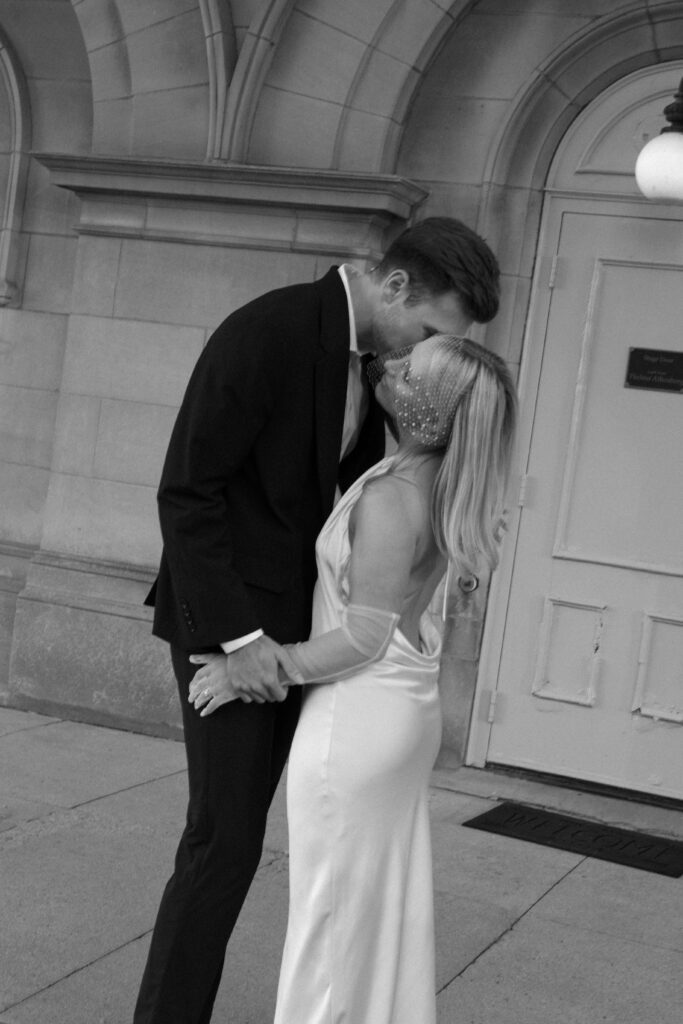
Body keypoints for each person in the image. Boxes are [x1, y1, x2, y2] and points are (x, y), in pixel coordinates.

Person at [134, 219, 501, 1024]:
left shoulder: (376, 376)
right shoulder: (267, 331)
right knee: (222, 843)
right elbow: (187, 492)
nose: (418, 359)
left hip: (314, 648)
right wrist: (240, 642)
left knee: (289, 849)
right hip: (232, 636)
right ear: (396, 286)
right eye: (430, 331)